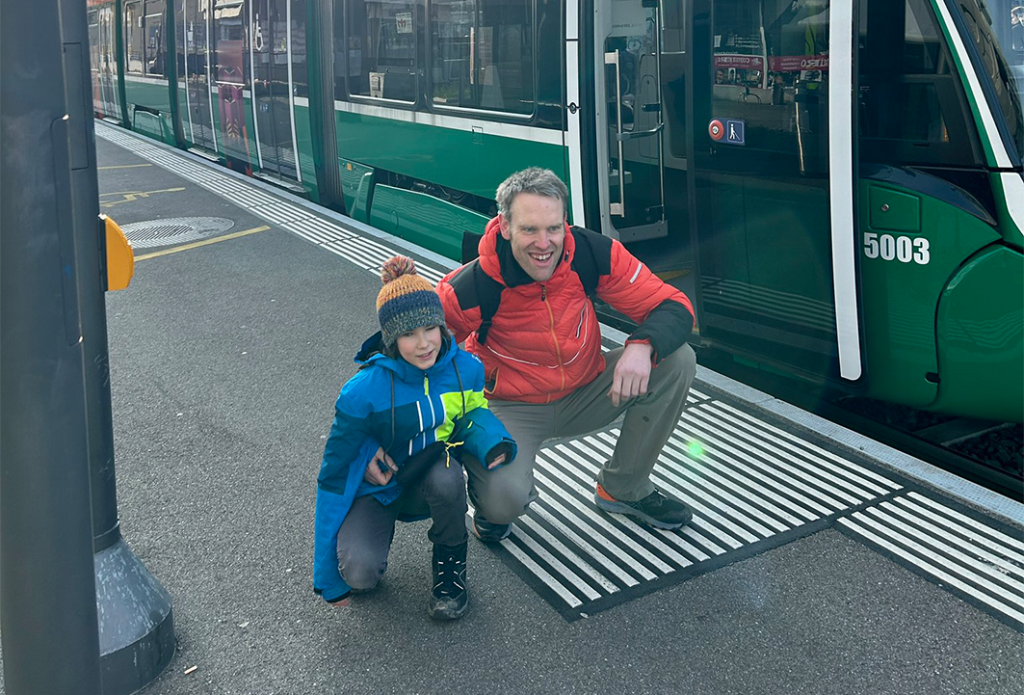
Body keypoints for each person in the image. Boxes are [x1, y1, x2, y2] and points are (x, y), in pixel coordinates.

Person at [437, 168, 698, 542]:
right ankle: (489, 496)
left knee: (677, 359)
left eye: (554, 228)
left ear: (565, 224)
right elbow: (416, 360)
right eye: (530, 230)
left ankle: (624, 486)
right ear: (505, 227)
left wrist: (644, 345)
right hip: (511, 405)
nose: (544, 244)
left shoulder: (590, 253)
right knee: (502, 504)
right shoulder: (472, 286)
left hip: (586, 388)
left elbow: (673, 304)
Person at [313, 256, 515, 619]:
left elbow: (470, 415)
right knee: (358, 577)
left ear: (442, 327)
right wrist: (327, 577)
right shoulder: (361, 392)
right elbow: (333, 477)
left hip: (426, 479)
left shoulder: (466, 368)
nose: (423, 344)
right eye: (408, 334)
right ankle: (375, 535)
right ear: (391, 339)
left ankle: (450, 568)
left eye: (429, 329)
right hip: (376, 489)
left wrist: (492, 441)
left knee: (448, 475)